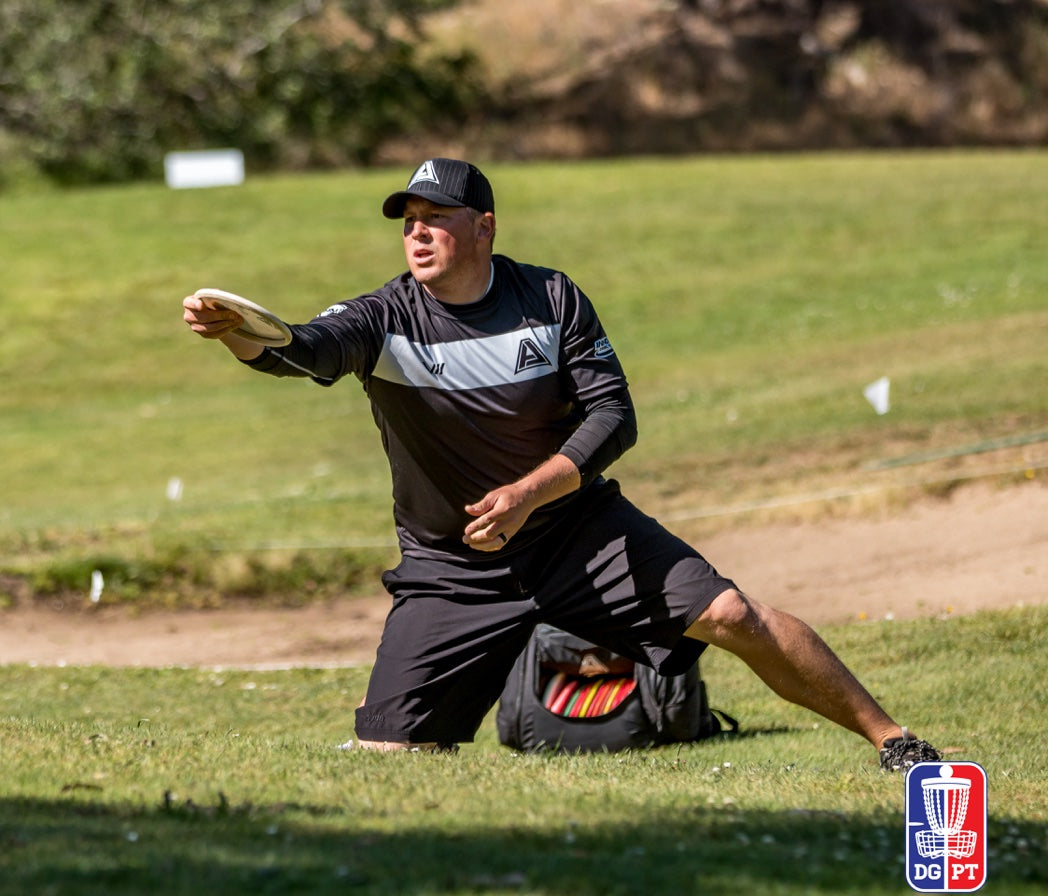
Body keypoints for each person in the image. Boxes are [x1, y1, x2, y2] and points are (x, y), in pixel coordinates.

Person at [181, 158, 940, 771]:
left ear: (483, 227)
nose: (417, 236)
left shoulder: (549, 297)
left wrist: (527, 493)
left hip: (581, 533)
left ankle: (895, 740)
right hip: (455, 566)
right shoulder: (384, 316)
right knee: (391, 756)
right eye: (408, 224)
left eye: (435, 220)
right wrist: (237, 333)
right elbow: (301, 348)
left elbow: (615, 416)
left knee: (732, 613)